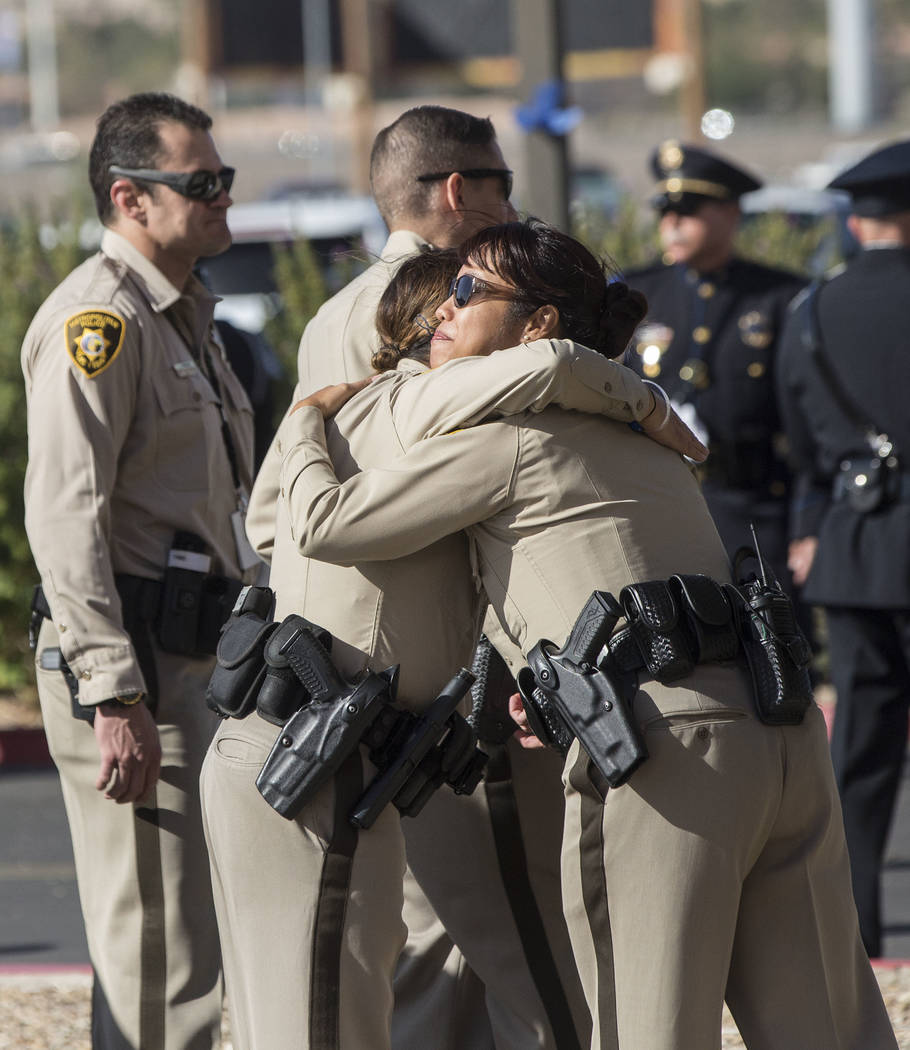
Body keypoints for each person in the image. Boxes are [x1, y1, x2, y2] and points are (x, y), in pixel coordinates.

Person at [279, 219, 895, 1050]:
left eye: (468, 290)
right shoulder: (646, 435)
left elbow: (325, 523)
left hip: (661, 755)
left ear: (537, 325)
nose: (445, 309)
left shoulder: (505, 440)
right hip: (779, 735)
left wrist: (303, 422)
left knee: (644, 1031)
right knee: (829, 1033)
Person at [201, 242, 704, 1050]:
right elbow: (558, 366)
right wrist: (645, 403)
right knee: (329, 1021)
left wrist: (307, 426)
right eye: (461, 291)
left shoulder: (350, 416)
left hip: (276, 743)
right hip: (320, 757)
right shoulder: (433, 401)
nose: (455, 309)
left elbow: (269, 523)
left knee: (298, 1018)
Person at [240, 103, 590, 1050]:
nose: (516, 205)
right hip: (464, 677)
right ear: (458, 190)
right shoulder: (458, 311)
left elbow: (277, 516)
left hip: (372, 683)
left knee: (435, 946)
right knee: (529, 937)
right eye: (504, 185)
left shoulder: (336, 312)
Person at [21, 93, 257, 1049]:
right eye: (201, 182)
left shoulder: (185, 316)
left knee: (178, 938)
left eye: (223, 177)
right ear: (131, 198)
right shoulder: (101, 320)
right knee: (160, 951)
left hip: (190, 652)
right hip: (137, 667)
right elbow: (63, 515)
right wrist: (112, 692)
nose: (223, 196)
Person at [776, 138, 910, 959]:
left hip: (856, 547)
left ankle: (859, 930)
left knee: (861, 746)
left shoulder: (810, 312)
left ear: (857, 224)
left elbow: (802, 443)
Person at [623, 140, 806, 596]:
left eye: (688, 210)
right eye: (665, 210)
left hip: (753, 508)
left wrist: (807, 523)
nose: (672, 222)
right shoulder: (638, 294)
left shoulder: (779, 296)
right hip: (658, 502)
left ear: (731, 213)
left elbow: (803, 420)